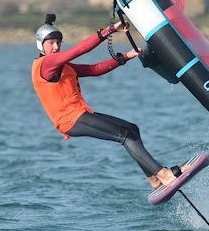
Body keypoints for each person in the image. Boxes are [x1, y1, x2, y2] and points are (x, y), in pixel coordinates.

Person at [30, 14, 193, 191]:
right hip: (70, 120)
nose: (55, 47)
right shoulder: (46, 64)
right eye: (50, 43)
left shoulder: (62, 66)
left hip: (80, 115)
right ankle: (164, 174)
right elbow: (79, 50)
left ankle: (154, 178)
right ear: (41, 45)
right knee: (124, 135)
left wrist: (125, 57)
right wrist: (111, 30)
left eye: (58, 42)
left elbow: (94, 69)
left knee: (132, 129)